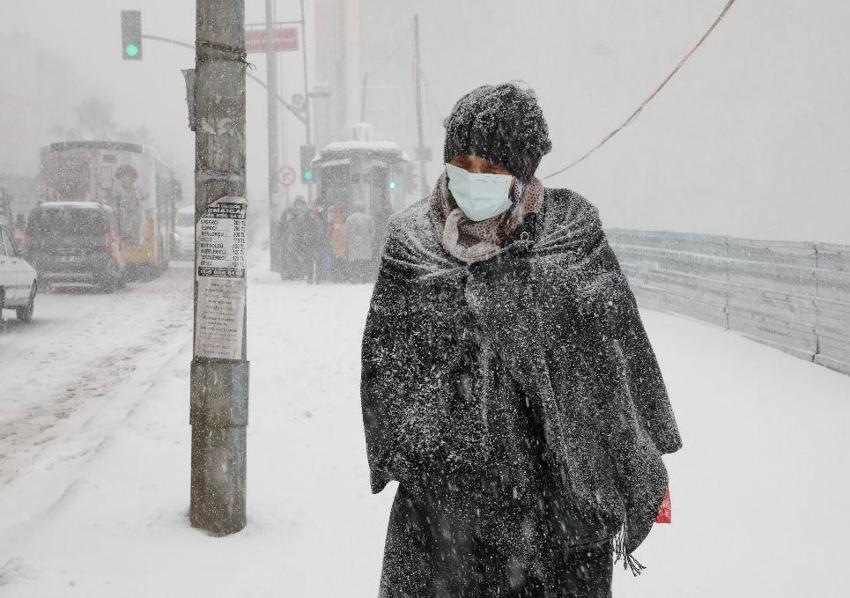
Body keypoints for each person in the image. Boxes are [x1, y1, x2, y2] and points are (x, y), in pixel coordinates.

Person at [360, 82, 683, 597]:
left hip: (558, 512)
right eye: (462, 163)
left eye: (491, 168)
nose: (473, 178)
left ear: (522, 172)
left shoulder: (571, 236)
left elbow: (616, 352)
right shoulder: (412, 243)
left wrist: (628, 454)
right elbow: (385, 369)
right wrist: (435, 455)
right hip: (446, 517)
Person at [344, 201, 374, 282]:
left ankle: (354, 277)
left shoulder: (350, 218)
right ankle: (365, 278)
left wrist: (348, 239)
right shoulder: (368, 218)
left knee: (354, 262)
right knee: (364, 261)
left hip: (353, 243)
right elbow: (372, 231)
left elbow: (346, 231)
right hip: (365, 243)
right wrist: (370, 240)